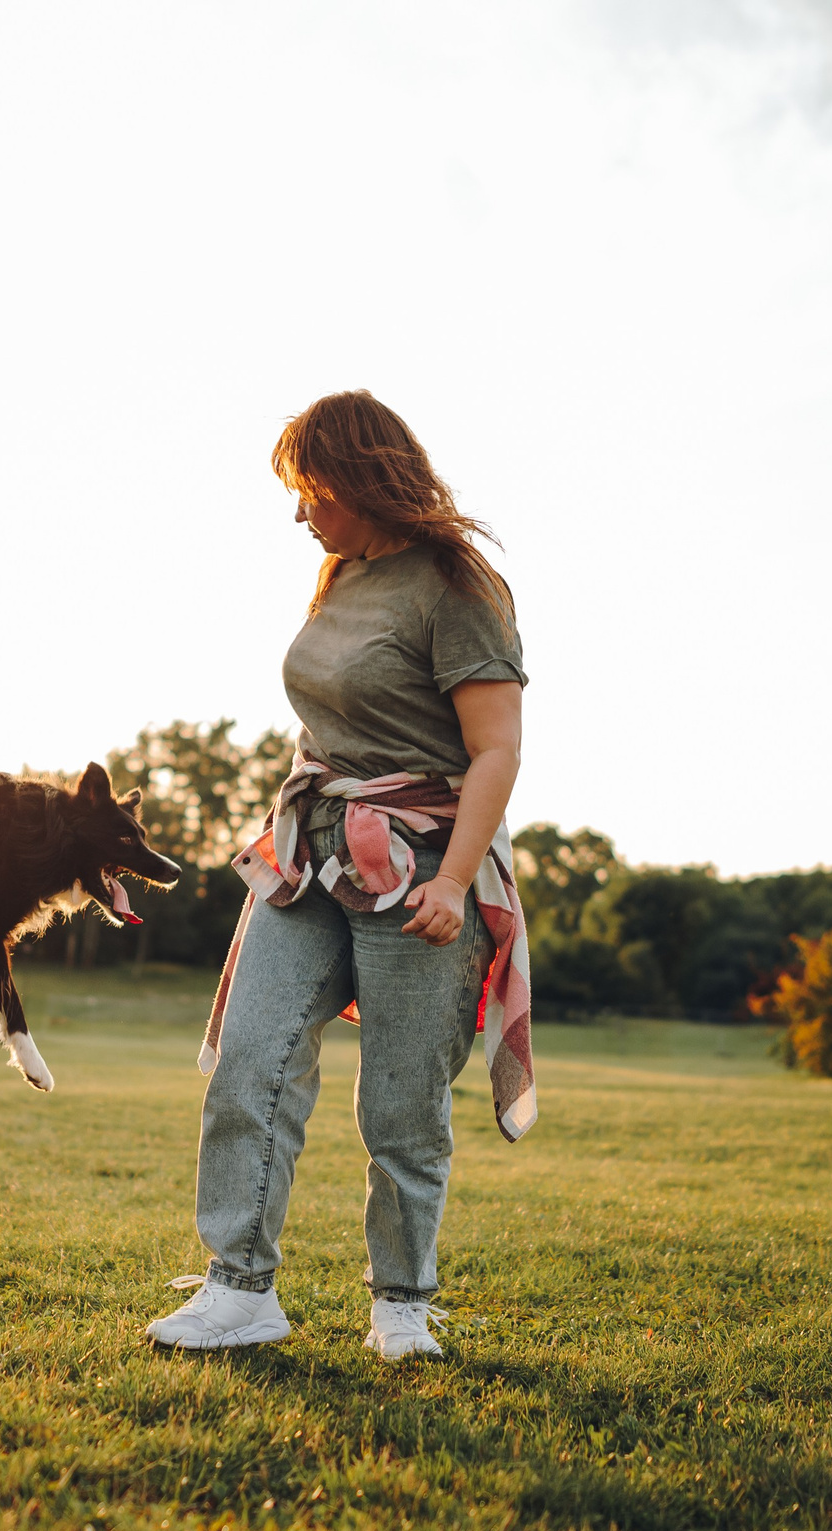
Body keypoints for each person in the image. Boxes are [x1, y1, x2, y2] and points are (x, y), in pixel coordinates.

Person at [145, 390, 535, 1360]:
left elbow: (495, 751)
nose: (298, 513)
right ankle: (240, 1289)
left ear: (363, 479)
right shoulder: (337, 574)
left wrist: (450, 884)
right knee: (253, 1059)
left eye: (311, 490)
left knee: (400, 1103)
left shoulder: (455, 586)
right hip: (311, 858)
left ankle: (401, 1305)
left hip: (421, 869)